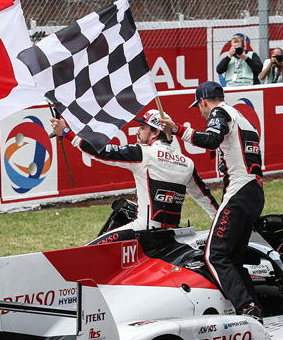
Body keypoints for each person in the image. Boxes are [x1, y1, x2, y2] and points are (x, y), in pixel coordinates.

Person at [159, 81, 265, 322]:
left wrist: (177, 129)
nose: (201, 112)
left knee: (214, 254)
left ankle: (247, 308)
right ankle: (256, 310)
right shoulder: (240, 115)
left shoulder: (220, 112)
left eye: (199, 107)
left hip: (240, 189)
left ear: (204, 101)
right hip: (255, 191)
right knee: (233, 257)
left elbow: (211, 139)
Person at [49, 109, 219, 244]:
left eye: (142, 127)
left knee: (88, 252)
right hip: (174, 235)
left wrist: (66, 132)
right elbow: (205, 198)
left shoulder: (143, 153)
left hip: (144, 232)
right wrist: (223, 228)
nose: (137, 131)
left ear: (154, 133)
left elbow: (100, 151)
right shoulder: (187, 162)